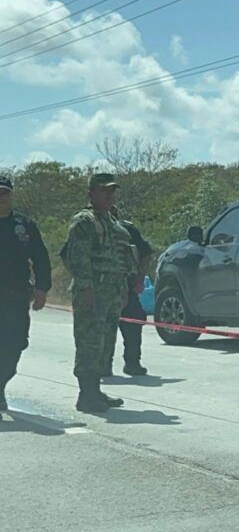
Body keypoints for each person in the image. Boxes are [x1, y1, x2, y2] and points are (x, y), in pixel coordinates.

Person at [65, 173, 136, 413]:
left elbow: (121, 259)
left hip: (112, 291)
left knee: (105, 343)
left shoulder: (112, 221)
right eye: (104, 191)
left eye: (112, 191)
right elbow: (78, 257)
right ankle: (86, 395)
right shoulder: (84, 221)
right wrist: (86, 287)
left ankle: (95, 391)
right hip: (93, 291)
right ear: (91, 194)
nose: (109, 195)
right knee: (89, 343)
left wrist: (123, 288)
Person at [0, 173, 51, 420]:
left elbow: (41, 258)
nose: (1, 197)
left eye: (5, 192)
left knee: (16, 345)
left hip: (16, 297)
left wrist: (42, 288)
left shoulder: (24, 225)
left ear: (12, 195)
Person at [106, 208, 154, 377]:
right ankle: (104, 365)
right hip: (101, 290)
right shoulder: (86, 228)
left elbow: (145, 253)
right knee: (103, 329)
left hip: (127, 287)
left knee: (133, 323)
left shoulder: (126, 230)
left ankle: (133, 363)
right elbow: (68, 255)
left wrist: (140, 278)